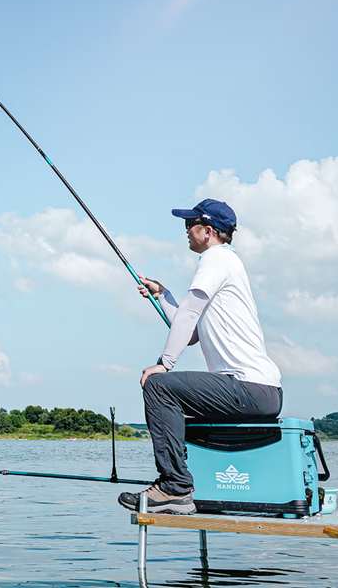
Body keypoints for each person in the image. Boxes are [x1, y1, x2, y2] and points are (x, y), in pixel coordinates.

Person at [118, 199, 282, 515]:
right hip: (259, 391)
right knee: (169, 394)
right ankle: (179, 483)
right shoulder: (226, 263)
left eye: (189, 225)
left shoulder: (216, 259)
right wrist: (162, 295)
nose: (185, 231)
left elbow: (190, 313)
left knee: (158, 386)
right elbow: (192, 332)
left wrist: (164, 364)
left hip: (249, 387)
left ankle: (174, 487)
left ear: (208, 231)